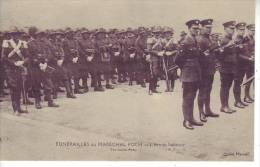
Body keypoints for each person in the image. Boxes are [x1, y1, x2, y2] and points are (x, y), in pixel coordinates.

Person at [175, 19, 203, 130]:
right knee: (187, 97)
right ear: (189, 28)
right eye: (194, 28)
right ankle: (186, 120)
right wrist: (184, 69)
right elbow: (177, 59)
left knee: (192, 96)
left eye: (198, 29)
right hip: (188, 73)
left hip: (195, 72)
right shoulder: (185, 41)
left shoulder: (195, 40)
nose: (196, 30)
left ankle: (191, 118)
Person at [27, 28, 59, 109]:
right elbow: (29, 56)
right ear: (34, 35)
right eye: (38, 34)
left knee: (48, 83)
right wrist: (39, 63)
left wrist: (46, 62)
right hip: (35, 67)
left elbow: (49, 53)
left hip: (45, 66)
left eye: (40, 34)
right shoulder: (29, 44)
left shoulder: (44, 43)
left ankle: (50, 101)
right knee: (36, 84)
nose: (40, 36)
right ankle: (37, 102)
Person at [1, 28, 29, 115]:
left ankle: (19, 108)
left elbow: (27, 56)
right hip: (10, 69)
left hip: (20, 68)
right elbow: (3, 57)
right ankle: (15, 109)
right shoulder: (7, 43)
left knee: (20, 87)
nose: (16, 36)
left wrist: (23, 62)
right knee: (14, 88)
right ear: (11, 35)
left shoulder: (23, 43)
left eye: (18, 34)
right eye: (14, 34)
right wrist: (14, 63)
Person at [197, 19, 219, 122]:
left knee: (208, 90)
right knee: (202, 91)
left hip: (210, 69)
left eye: (210, 27)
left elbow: (212, 54)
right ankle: (201, 112)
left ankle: (208, 110)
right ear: (201, 27)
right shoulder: (200, 39)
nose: (209, 29)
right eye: (207, 27)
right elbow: (200, 56)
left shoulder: (208, 39)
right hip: (203, 70)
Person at [217, 21, 237, 114]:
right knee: (225, 87)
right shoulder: (223, 40)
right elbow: (218, 54)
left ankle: (226, 105)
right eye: (231, 28)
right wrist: (226, 46)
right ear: (225, 29)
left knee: (228, 86)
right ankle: (224, 106)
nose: (232, 30)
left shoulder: (231, 39)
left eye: (233, 29)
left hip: (231, 67)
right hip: (225, 67)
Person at [243, 24, 255, 103]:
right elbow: (245, 51)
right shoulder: (246, 38)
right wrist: (251, 56)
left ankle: (248, 96)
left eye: (254, 30)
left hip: (252, 60)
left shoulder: (252, 38)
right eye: (252, 30)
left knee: (251, 78)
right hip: (247, 61)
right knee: (248, 79)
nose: (253, 32)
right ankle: (246, 96)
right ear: (248, 30)